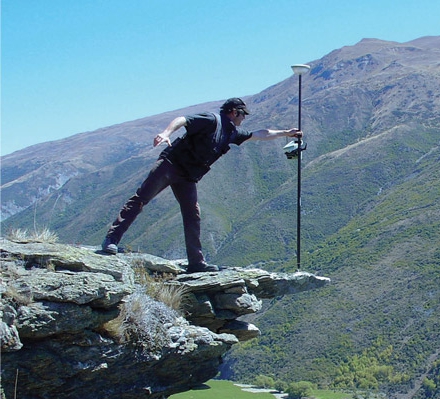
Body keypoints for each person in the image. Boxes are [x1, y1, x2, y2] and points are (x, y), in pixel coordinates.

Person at [102, 97, 302, 272]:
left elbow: (260, 134)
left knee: (193, 215)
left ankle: (196, 263)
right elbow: (183, 119)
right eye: (243, 114)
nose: (244, 119)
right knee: (141, 199)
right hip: (170, 165)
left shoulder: (231, 132)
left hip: (188, 176)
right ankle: (111, 240)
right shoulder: (211, 120)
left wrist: (287, 133)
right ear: (233, 112)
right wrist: (166, 133)